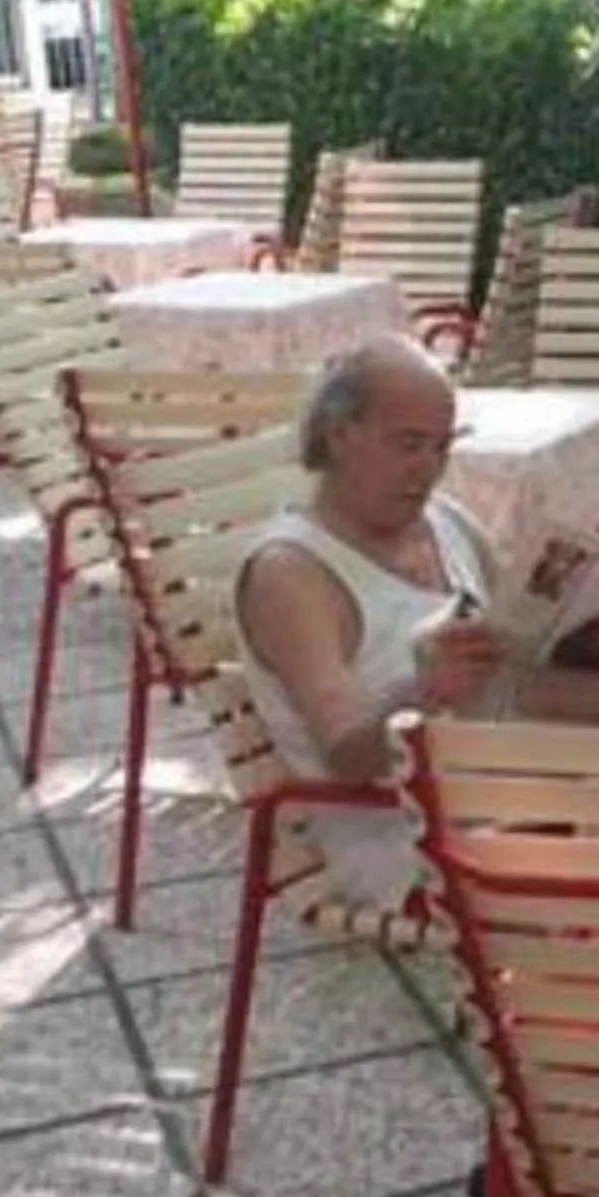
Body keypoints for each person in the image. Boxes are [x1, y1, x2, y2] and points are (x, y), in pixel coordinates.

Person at [232, 336, 510, 911]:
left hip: (495, 793)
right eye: (407, 444)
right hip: (401, 840)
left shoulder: (445, 521)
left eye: (441, 448)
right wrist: (421, 694)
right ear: (338, 435)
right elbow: (345, 755)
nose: (428, 469)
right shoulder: (291, 572)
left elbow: (524, 649)